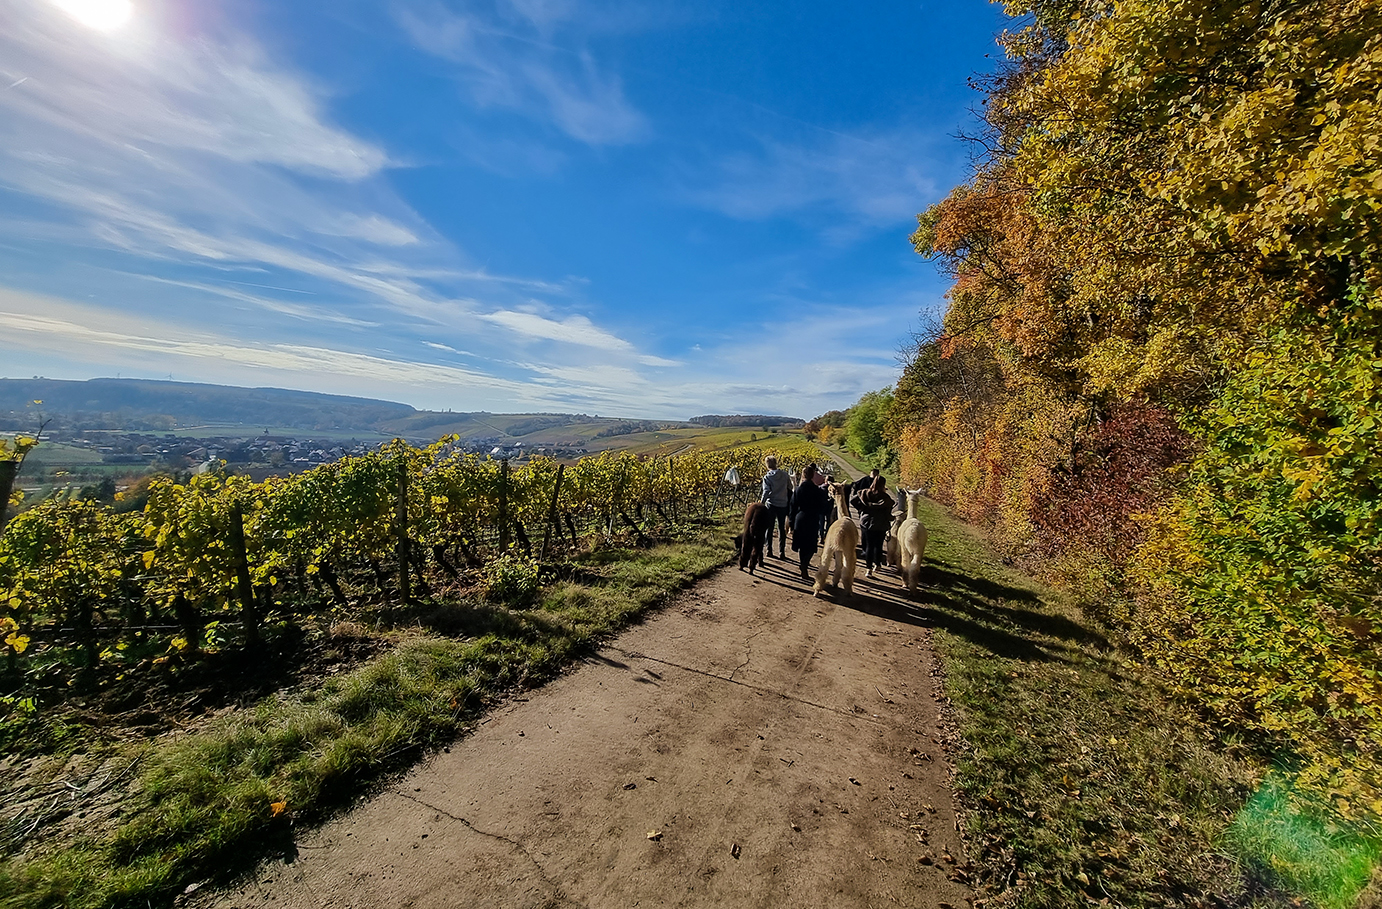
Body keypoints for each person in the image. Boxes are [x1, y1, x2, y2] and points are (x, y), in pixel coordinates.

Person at [788, 464, 831, 581]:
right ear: (812, 476)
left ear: (802, 475)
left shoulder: (798, 490)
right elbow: (824, 507)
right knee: (811, 545)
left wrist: (791, 523)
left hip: (800, 518)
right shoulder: (818, 491)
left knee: (802, 544)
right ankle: (805, 564)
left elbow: (792, 507)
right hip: (812, 519)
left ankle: (803, 564)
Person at [851, 477, 895, 578]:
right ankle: (878, 564)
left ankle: (868, 569)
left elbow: (853, 500)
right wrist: (892, 518)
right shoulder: (885, 498)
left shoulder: (864, 493)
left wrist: (861, 509)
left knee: (868, 546)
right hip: (881, 524)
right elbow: (888, 513)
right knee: (878, 545)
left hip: (866, 522)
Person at [760, 455, 792, 559]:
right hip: (783, 504)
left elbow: (766, 491)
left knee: (769, 527)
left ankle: (769, 549)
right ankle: (782, 551)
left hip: (771, 504)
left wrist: (761, 503)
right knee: (781, 528)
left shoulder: (767, 477)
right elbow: (790, 487)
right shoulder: (784, 474)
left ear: (767, 465)